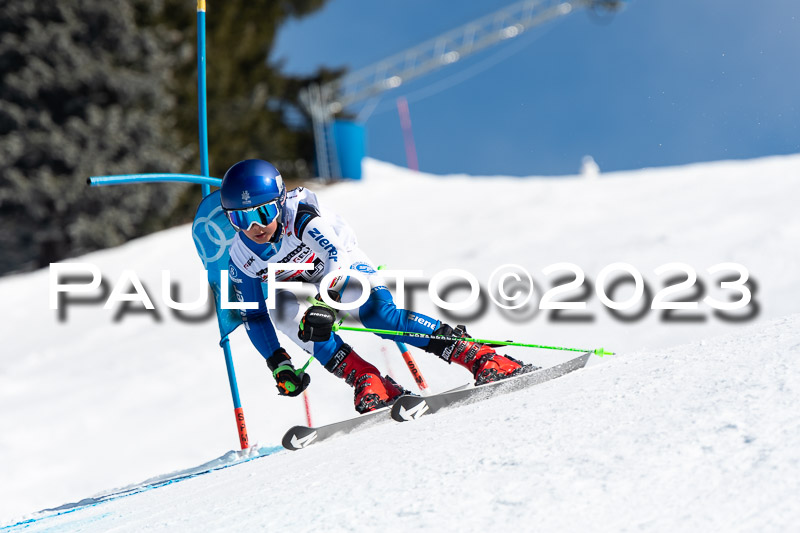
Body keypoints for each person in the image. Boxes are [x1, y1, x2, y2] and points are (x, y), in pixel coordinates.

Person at [222, 159, 533, 413]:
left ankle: (479, 356)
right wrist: (278, 363)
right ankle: (368, 379)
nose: (254, 227)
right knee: (281, 309)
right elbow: (253, 315)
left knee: (378, 316)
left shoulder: (300, 215)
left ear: (279, 203)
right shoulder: (241, 258)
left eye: (263, 212)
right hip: (303, 283)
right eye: (240, 219)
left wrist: (325, 305)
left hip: (342, 267)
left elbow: (334, 255)